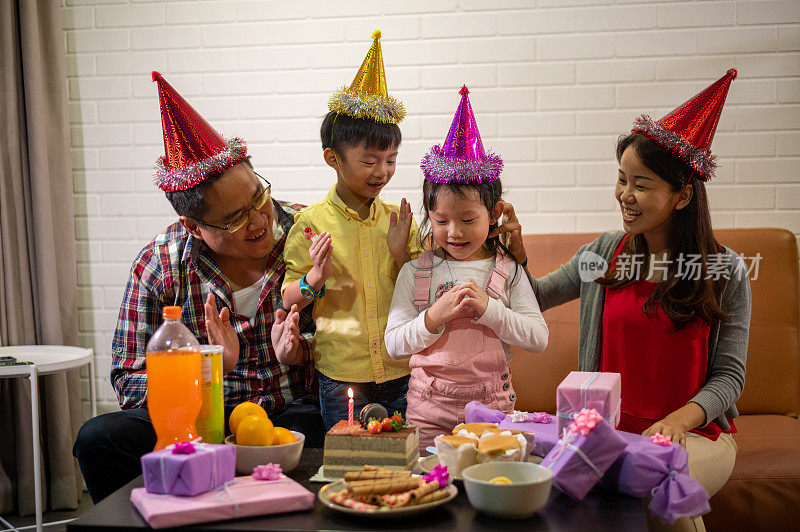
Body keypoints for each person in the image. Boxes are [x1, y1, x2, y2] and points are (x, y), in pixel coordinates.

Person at [511, 70, 748, 530]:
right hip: (610, 434)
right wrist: (513, 258)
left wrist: (678, 421)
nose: (625, 195)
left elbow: (730, 378)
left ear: (681, 196)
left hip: (697, 435)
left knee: (660, 475)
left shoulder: (726, 271)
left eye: (642, 184)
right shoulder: (603, 254)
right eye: (622, 179)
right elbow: (535, 298)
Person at [73, 72, 322, 503]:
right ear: (193, 226)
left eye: (258, 197)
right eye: (235, 219)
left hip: (292, 412)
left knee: (335, 427)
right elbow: (129, 380)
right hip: (196, 419)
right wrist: (206, 372)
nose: (261, 221)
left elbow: (354, 339)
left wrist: (302, 351)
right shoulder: (160, 266)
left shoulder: (307, 235)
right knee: (99, 438)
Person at [384, 86, 549, 449]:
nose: (454, 232)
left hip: (493, 410)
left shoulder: (509, 270)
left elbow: (538, 338)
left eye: (468, 219)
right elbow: (394, 344)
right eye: (441, 220)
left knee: (487, 482)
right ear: (429, 216)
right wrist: (433, 316)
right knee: (432, 482)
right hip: (428, 411)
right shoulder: (415, 272)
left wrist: (491, 310)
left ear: (494, 214)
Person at [279, 31, 422, 431]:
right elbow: (289, 299)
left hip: (401, 368)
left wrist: (401, 256)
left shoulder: (400, 221)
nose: (383, 172)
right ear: (333, 158)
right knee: (347, 463)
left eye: (392, 160)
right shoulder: (310, 225)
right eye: (370, 160)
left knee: (403, 461)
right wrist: (314, 278)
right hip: (342, 374)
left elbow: (426, 294)